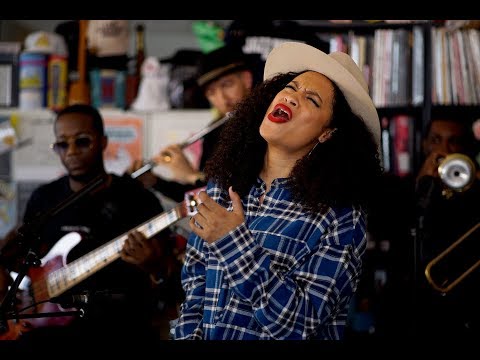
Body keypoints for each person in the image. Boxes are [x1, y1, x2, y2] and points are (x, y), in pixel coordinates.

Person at [174, 41, 383, 340]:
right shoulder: (222, 186)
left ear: (328, 133)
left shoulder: (340, 214)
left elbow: (300, 325)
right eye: (291, 87)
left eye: (312, 99)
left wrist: (233, 242)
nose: (292, 97)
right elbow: (195, 289)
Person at [0, 104, 174, 342]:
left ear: (102, 142)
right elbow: (18, 257)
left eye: (82, 141)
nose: (71, 151)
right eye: (62, 144)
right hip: (50, 331)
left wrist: (153, 267)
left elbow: (170, 282)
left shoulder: (138, 198)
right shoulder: (45, 198)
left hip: (120, 328)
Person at [127, 44, 256, 202]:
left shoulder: (263, 127)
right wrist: (155, 181)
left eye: (227, 85)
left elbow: (241, 196)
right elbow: (201, 198)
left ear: (246, 79)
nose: (222, 99)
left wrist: (191, 175)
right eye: (212, 92)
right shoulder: (214, 133)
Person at [413, 113, 480, 337]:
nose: (445, 149)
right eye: (435, 140)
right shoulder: (412, 185)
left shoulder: (475, 187)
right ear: (423, 145)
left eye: (454, 141)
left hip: (465, 303)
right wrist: (422, 184)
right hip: (416, 301)